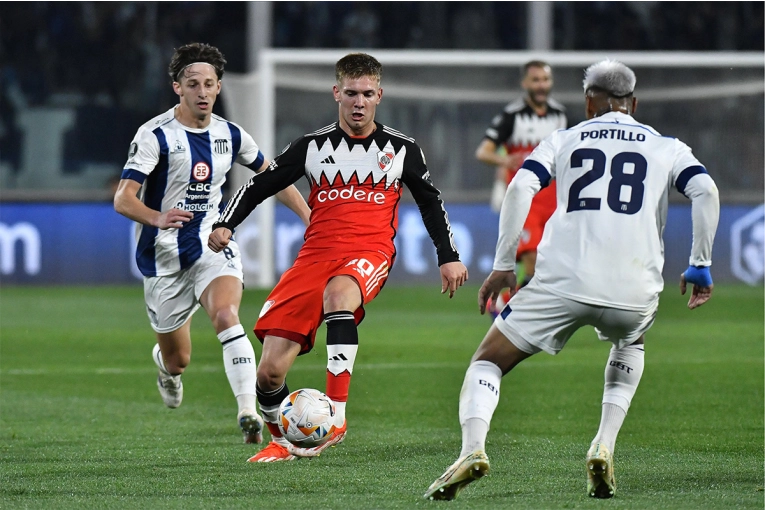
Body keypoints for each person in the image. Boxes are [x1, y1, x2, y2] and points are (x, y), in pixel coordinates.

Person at [425, 59, 719, 500]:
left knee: (487, 361)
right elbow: (706, 191)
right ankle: (603, 445)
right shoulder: (667, 146)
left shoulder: (562, 139)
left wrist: (505, 264)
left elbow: (520, 187)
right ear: (633, 103)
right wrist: (699, 262)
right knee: (631, 342)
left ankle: (472, 450)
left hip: (561, 283)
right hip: (633, 289)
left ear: (588, 103)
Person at [208, 52, 469, 463]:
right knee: (269, 373)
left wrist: (448, 255)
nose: (359, 102)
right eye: (351, 93)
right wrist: (227, 222)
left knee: (338, 298)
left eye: (367, 93)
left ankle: (337, 418)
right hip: (314, 257)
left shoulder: (401, 149)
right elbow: (261, 184)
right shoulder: (311, 147)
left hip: (369, 251)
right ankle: (284, 440)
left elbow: (431, 204)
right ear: (337, 93)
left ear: (380, 95)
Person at [113, 42, 310, 445]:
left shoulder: (231, 134)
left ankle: (247, 413)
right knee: (178, 358)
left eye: (209, 84)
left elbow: (272, 177)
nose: (202, 91)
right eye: (193, 84)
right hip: (162, 255)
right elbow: (123, 197)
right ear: (177, 88)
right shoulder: (155, 135)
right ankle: (165, 368)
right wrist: (157, 217)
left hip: (211, 243)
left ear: (218, 87)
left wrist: (311, 218)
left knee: (225, 316)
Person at [475, 61, 567, 309]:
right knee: (533, 263)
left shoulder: (560, 114)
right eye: (535, 80)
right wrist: (505, 160)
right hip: (526, 203)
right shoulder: (511, 115)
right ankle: (508, 307)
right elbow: (483, 152)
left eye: (545, 80)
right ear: (525, 83)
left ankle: (507, 303)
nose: (540, 85)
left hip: (554, 202)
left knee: (548, 270)